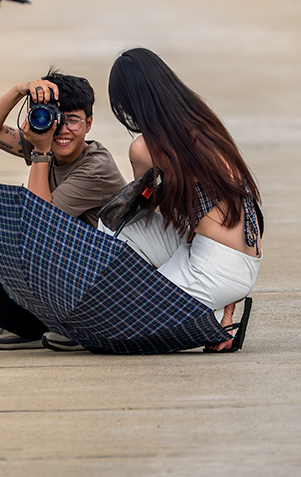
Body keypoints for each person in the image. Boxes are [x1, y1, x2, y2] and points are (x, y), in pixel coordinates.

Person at [104, 48, 263, 352]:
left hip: (216, 268)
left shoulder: (144, 148)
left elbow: (139, 206)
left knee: (118, 327)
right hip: (240, 255)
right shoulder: (204, 122)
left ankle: (206, 320)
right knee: (117, 229)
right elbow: (241, 207)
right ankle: (219, 317)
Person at [0, 70, 126, 350]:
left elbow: (41, 224)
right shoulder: (45, 145)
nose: (63, 130)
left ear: (89, 123)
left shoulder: (95, 166)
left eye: (73, 120)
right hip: (76, 271)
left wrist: (41, 153)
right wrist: (19, 90)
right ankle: (22, 325)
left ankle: (80, 326)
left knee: (28, 227)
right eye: (55, 119)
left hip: (107, 282)